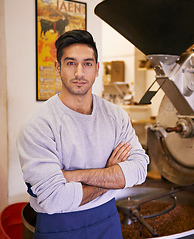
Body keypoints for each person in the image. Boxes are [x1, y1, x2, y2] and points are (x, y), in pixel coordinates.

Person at [17, 29, 149, 238]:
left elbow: (140, 169)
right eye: (71, 63)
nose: (79, 73)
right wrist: (110, 173)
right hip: (59, 226)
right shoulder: (40, 124)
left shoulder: (115, 116)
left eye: (87, 64)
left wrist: (74, 176)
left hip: (108, 221)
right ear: (58, 68)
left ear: (97, 69)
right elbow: (54, 198)